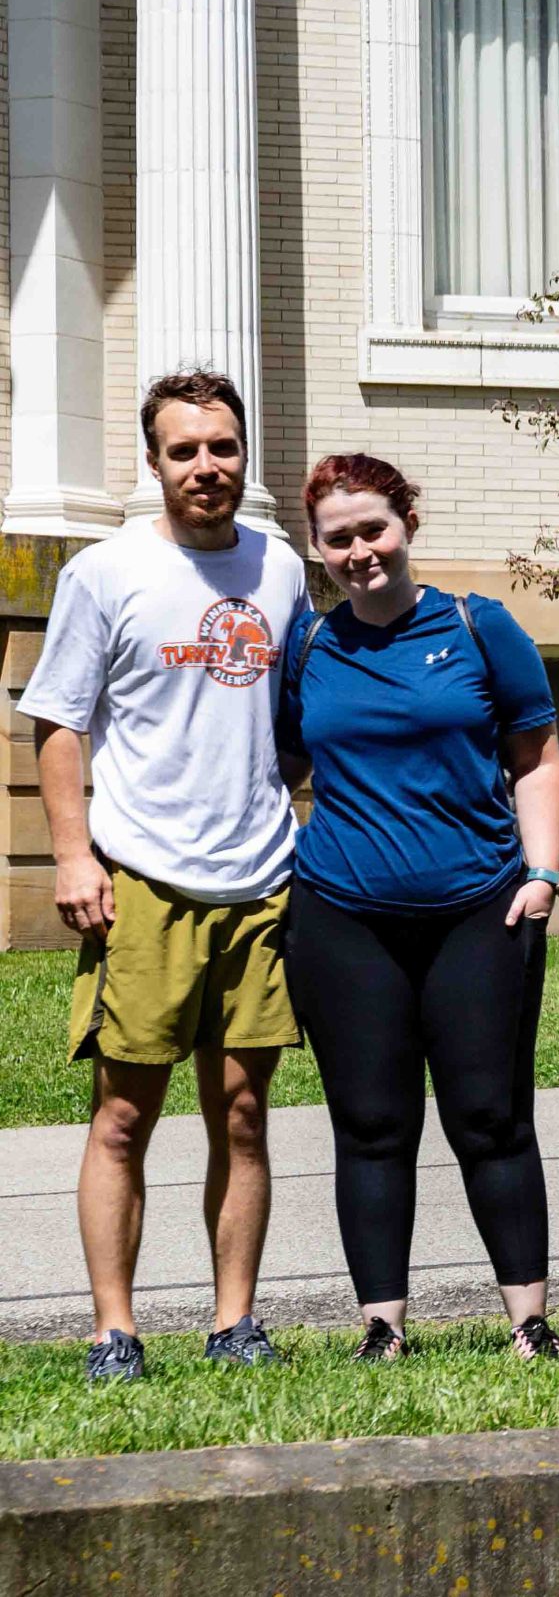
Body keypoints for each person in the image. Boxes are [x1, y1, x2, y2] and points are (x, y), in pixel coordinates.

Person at [23, 370, 308, 1382]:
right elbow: (59, 723)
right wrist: (72, 852)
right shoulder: (105, 572)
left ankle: (235, 1323)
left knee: (241, 1111)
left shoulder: (280, 569)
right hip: (141, 878)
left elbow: (294, 719)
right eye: (184, 450)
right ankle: (115, 1332)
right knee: (123, 1113)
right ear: (153, 463)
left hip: (261, 878)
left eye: (222, 448)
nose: (206, 467)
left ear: (244, 456)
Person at [276, 454, 559, 1360]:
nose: (360, 550)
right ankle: (383, 1327)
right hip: (341, 915)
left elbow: (538, 758)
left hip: (481, 909)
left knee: (490, 1116)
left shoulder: (480, 627)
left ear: (408, 520)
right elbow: (283, 766)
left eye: (374, 528)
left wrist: (542, 874)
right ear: (318, 549)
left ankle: (529, 1321)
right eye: (339, 538)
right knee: (370, 1122)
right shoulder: (311, 645)